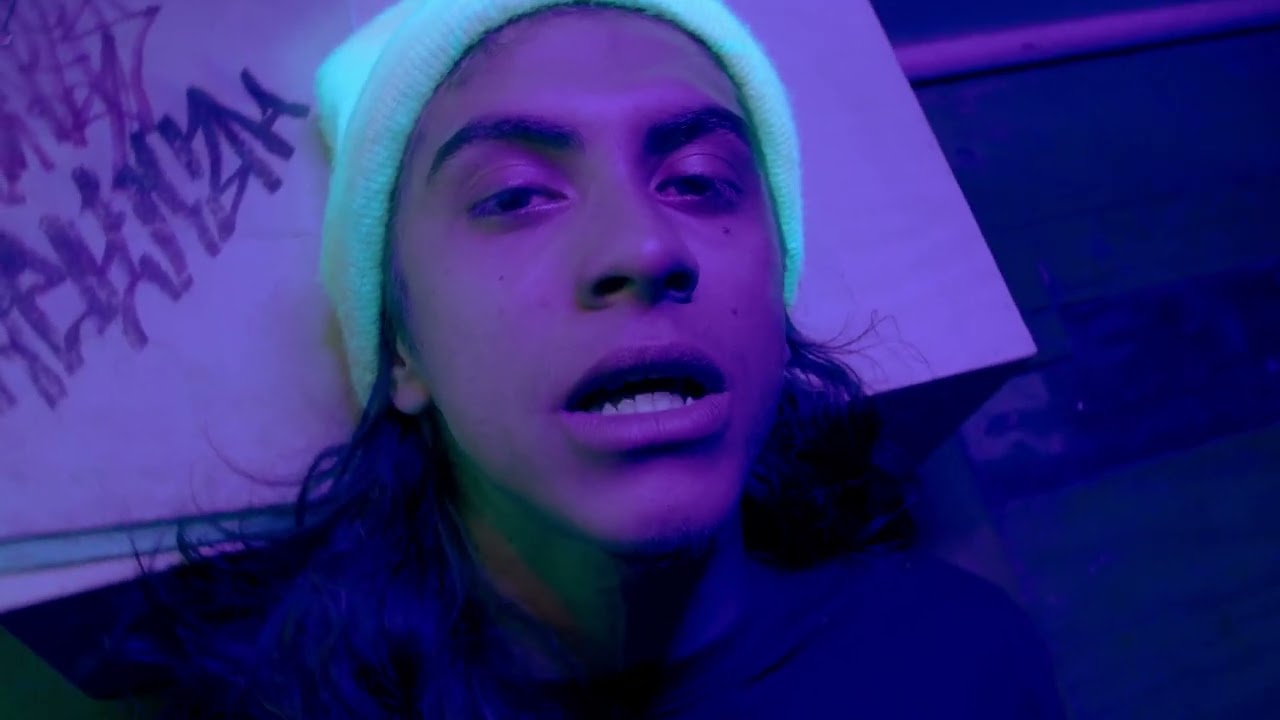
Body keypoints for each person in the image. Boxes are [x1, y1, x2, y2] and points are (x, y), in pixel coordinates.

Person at [114, 1, 1067, 718]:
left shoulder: (966, 664)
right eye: (516, 195)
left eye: (699, 182)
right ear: (402, 348)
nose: (643, 248)